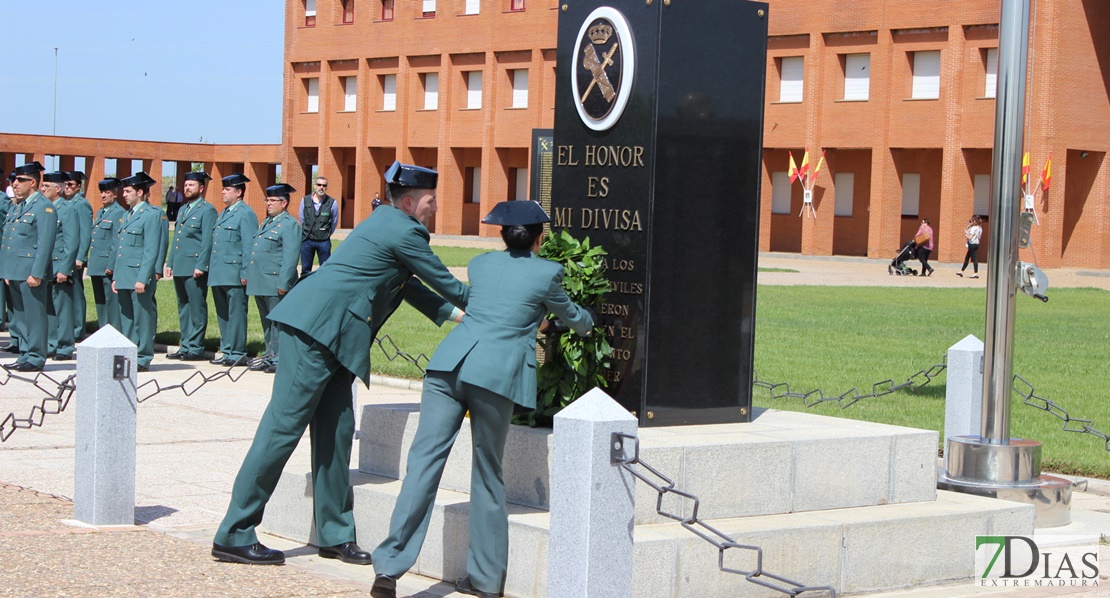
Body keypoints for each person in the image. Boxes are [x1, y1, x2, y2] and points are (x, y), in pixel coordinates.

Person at [212, 161, 469, 567]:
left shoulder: (387, 222)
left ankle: (334, 533)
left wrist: (461, 318)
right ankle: (234, 532)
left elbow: (410, 285)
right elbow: (446, 282)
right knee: (282, 428)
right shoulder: (404, 230)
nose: (434, 208)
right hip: (315, 331)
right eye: (430, 201)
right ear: (408, 201)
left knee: (337, 431)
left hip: (335, 337)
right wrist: (497, 308)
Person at [370, 201, 593, 598]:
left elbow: (495, 303)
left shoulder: (482, 265)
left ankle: (387, 569)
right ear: (539, 237)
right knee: (487, 474)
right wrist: (586, 323)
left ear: (502, 234)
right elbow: (572, 316)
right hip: (494, 376)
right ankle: (487, 580)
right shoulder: (548, 272)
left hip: (448, 366)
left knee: (423, 465)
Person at [1, 162, 58, 372]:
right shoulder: (19, 205)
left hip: (30, 272)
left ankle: (36, 356)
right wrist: (7, 269)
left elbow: (45, 243)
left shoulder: (44, 207)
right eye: (14, 180)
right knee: (21, 316)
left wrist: (37, 272)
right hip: (15, 270)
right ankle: (25, 353)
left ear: (33, 182)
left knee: (34, 315)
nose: (15, 184)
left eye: (20, 180)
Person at [111, 172, 167, 372]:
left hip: (138, 277)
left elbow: (151, 250)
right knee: (127, 319)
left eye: (128, 191)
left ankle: (142, 356)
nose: (124, 195)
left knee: (143, 319)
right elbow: (121, 250)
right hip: (125, 276)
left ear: (140, 192)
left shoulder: (151, 215)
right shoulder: (127, 215)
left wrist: (144, 278)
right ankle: (128, 355)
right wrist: (116, 277)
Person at [245, 184, 300, 374]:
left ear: (284, 203)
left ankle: (279, 358)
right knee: (267, 323)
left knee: (278, 324)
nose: (268, 203)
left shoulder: (289, 224)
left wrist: (284, 283)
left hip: (276, 283)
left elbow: (290, 257)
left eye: (272, 200)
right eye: (267, 200)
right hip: (262, 282)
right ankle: (270, 355)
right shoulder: (268, 222)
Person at [164, 172, 217, 361]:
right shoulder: (183, 209)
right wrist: (170, 263)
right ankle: (185, 344)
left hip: (195, 266)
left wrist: (201, 265)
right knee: (183, 307)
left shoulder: (207, 210)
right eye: (185, 185)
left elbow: (207, 241)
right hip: (180, 265)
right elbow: (177, 238)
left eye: (191, 185)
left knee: (196, 307)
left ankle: (196, 346)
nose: (187, 188)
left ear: (201, 188)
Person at [208, 173, 258, 367]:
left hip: (234, 273)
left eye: (227, 189)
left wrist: (245, 273)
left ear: (238, 192)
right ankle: (227, 348)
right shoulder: (225, 213)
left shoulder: (245, 213)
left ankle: (237, 352)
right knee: (223, 314)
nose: (223, 192)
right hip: (220, 271)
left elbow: (248, 246)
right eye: (223, 189)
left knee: (236, 313)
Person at [42, 172, 80, 361]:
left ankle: (65, 346)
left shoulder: (67, 209)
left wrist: (65, 268)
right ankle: (51, 342)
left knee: (62, 308)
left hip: (59, 266)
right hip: (45, 266)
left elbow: (71, 241)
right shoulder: (44, 208)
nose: (43, 189)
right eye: (42, 186)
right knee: (48, 307)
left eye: (47, 186)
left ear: (58, 189)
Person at [88, 177, 127, 332]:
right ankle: (103, 331)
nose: (103, 195)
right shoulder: (101, 212)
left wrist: (111, 265)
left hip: (107, 266)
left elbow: (116, 242)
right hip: (96, 265)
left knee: (111, 303)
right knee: (100, 303)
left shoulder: (118, 213)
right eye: (102, 192)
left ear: (115, 194)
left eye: (107, 192)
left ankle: (114, 332)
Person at [63, 171, 93, 340]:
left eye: (70, 185)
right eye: (65, 185)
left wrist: (81, 256)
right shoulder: (68, 203)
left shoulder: (81, 204)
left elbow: (85, 232)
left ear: (78, 187)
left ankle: (78, 328)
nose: (67, 188)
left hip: (75, 257)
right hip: (67, 255)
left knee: (75, 291)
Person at [298, 175, 337, 273]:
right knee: (305, 269)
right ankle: (305, 287)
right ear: (315, 186)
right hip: (307, 240)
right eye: (319, 185)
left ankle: (324, 288)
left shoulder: (332, 202)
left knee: (325, 270)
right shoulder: (305, 200)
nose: (321, 187)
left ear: (326, 187)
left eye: (324, 185)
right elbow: (302, 219)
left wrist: (326, 233)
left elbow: (334, 221)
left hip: (323, 241)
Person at [957, 215, 982, 279]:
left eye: (973, 220)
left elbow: (970, 237)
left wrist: (966, 234)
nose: (972, 222)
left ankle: (976, 273)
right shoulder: (980, 228)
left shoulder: (974, 228)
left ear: (975, 221)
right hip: (976, 243)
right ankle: (961, 271)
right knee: (967, 257)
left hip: (972, 244)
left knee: (974, 258)